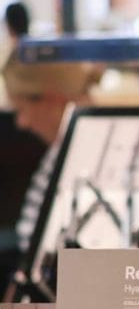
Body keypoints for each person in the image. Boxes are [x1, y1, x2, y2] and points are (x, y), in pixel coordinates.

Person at [1, 54, 103, 257]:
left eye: (22, 110)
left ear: (52, 99)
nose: (22, 123)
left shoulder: (88, 154)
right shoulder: (66, 146)